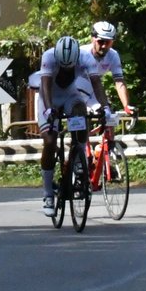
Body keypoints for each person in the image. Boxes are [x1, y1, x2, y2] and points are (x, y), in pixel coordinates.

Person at [38, 35, 109, 214]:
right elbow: (45, 85)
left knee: (80, 112)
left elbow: (97, 84)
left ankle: (79, 157)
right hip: (49, 98)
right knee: (49, 142)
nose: (66, 69)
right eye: (63, 66)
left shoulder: (85, 58)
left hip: (70, 95)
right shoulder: (48, 56)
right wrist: (48, 110)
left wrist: (105, 108)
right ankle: (47, 194)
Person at [81, 21, 136, 125]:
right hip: (76, 90)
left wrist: (126, 105)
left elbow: (119, 82)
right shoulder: (82, 53)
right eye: (101, 42)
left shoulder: (113, 55)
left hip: (94, 90)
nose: (104, 46)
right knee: (85, 117)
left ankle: (108, 139)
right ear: (92, 39)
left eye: (108, 42)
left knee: (108, 116)